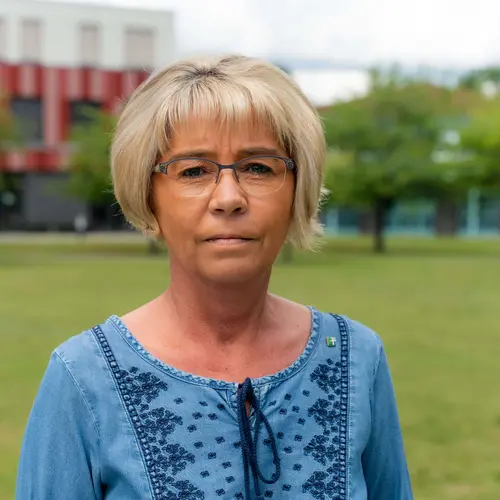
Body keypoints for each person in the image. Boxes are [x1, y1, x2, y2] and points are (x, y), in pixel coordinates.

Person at [16, 54, 413, 500]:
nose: (228, 198)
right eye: (193, 171)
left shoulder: (357, 359)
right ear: (148, 195)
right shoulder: (83, 376)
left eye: (258, 167)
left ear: (297, 189)